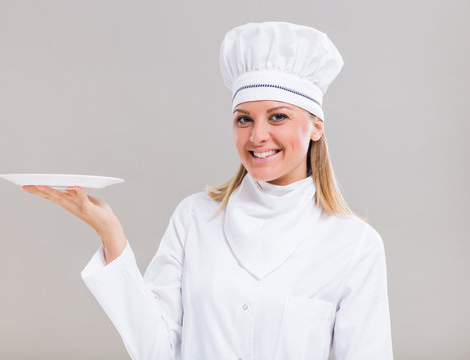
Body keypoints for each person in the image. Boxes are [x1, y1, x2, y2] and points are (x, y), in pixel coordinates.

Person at [22, 21, 393, 360]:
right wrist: (110, 233)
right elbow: (157, 350)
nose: (257, 135)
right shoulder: (195, 217)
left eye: (277, 116)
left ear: (315, 126)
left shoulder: (355, 245)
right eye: (244, 119)